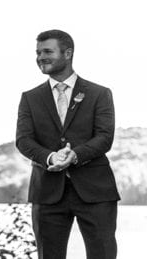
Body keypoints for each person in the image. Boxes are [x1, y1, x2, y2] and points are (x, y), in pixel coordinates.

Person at [15, 30, 119, 259]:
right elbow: (23, 140)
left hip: (95, 191)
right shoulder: (30, 98)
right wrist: (51, 157)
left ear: (68, 53)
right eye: (38, 52)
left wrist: (75, 155)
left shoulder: (99, 94)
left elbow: (104, 137)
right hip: (47, 192)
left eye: (47, 51)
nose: (41, 57)